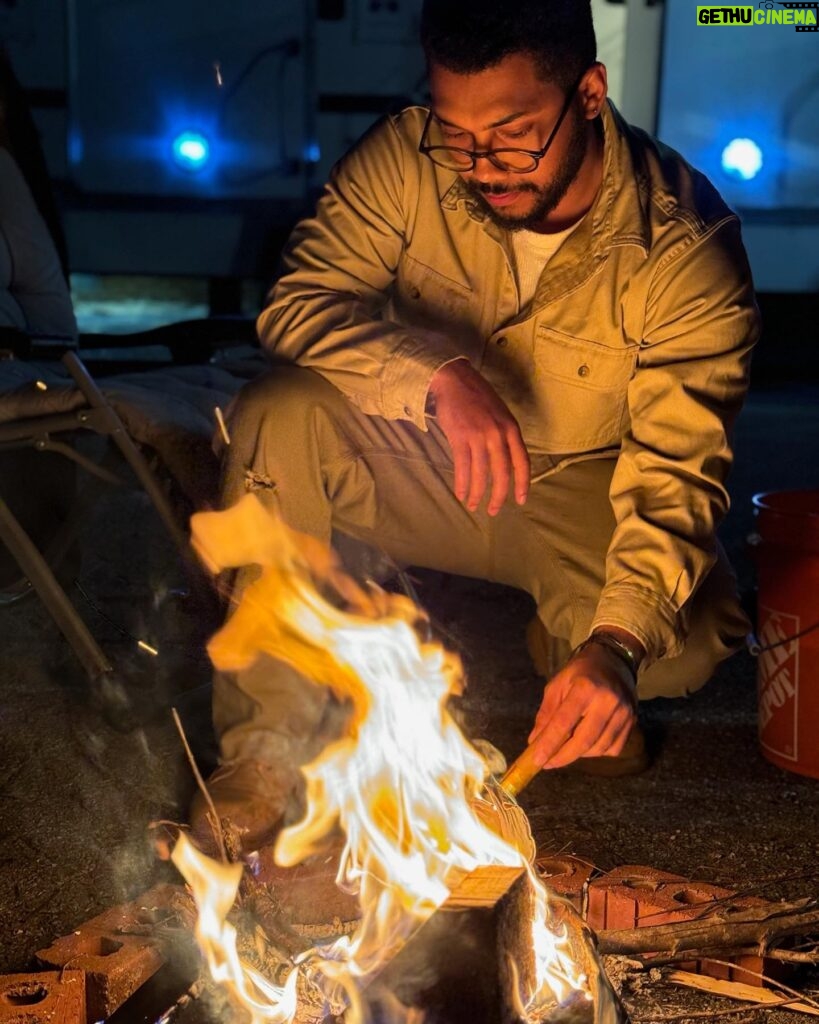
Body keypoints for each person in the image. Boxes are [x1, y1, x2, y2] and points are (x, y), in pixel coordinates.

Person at [191, 0, 759, 851]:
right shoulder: (407, 158)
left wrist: (613, 644)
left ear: (591, 94)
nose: (482, 164)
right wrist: (434, 376)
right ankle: (263, 756)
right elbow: (297, 306)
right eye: (457, 132)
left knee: (680, 643)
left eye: (514, 130)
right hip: (424, 465)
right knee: (280, 413)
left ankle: (569, 643)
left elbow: (676, 474)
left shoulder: (685, 252)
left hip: (579, 482)